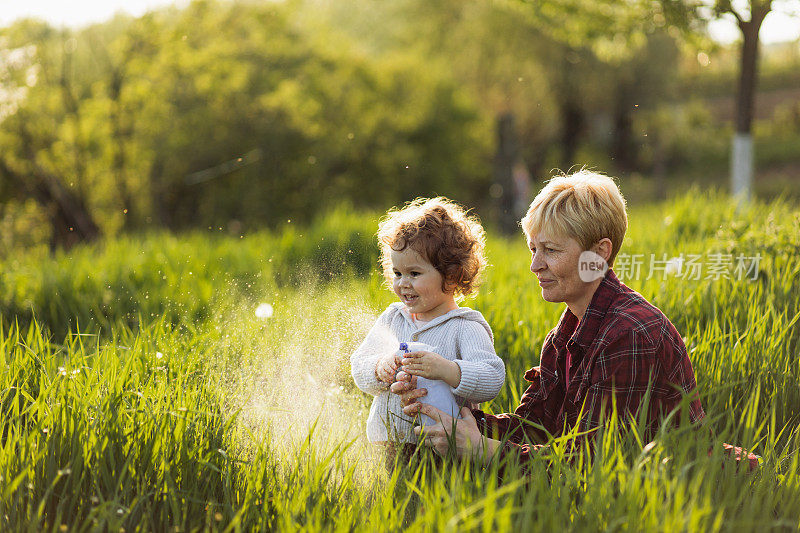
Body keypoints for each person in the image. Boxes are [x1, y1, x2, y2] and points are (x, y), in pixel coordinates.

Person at [392, 171, 706, 470]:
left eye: (550, 250)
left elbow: (595, 466)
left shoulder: (629, 333)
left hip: (687, 492)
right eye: (533, 249)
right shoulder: (566, 332)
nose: (534, 265)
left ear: (597, 255)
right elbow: (535, 427)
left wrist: (482, 450)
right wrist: (450, 417)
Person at [350, 197, 505, 467]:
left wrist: (448, 370)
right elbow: (359, 366)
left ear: (452, 275)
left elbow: (492, 378)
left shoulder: (464, 326)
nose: (403, 284)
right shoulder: (393, 318)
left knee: (431, 502)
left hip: (443, 449)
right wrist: (380, 368)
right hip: (386, 443)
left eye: (414, 273)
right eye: (397, 273)